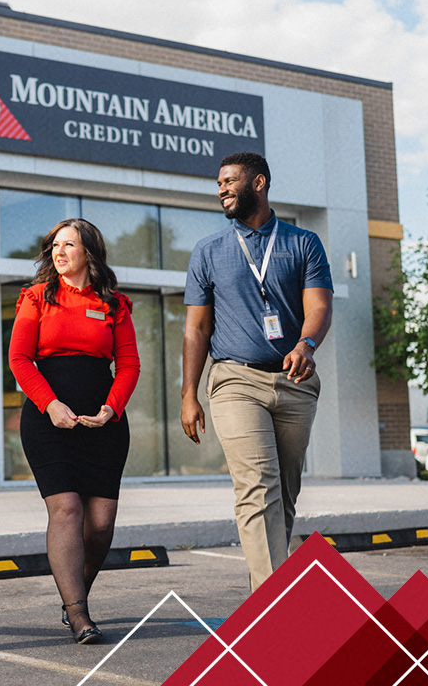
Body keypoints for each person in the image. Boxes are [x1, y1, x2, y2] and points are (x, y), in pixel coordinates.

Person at [180, 152, 333, 591]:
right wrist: (190, 393)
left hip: (295, 382)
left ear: (259, 182)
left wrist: (306, 344)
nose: (222, 189)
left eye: (230, 181)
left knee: (282, 495)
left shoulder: (303, 243)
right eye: (219, 184)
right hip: (234, 380)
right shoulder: (208, 250)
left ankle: (264, 592)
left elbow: (318, 307)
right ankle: (273, 606)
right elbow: (196, 327)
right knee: (257, 486)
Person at [8, 218, 140, 644]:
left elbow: (130, 364)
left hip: (102, 423)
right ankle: (79, 613)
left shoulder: (113, 304)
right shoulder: (36, 297)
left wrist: (111, 408)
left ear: (89, 253)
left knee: (100, 524)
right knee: (66, 509)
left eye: (69, 245)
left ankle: (74, 592)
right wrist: (50, 405)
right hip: (49, 421)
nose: (59, 252)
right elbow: (19, 360)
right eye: (54, 245)